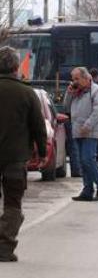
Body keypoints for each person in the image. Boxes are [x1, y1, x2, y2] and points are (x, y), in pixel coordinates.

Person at [0, 47, 48, 262]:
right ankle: (4, 247)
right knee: (12, 202)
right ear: (16, 66)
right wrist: (43, 152)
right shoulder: (26, 93)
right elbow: (39, 127)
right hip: (16, 157)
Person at [64, 67, 98, 200]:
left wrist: (88, 125)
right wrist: (69, 93)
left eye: (77, 79)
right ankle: (87, 190)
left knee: (88, 159)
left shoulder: (97, 91)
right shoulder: (77, 92)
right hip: (78, 130)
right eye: (73, 79)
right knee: (83, 162)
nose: (74, 82)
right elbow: (66, 107)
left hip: (91, 131)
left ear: (86, 78)